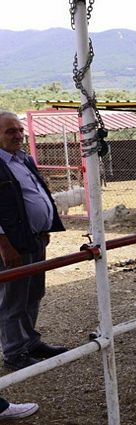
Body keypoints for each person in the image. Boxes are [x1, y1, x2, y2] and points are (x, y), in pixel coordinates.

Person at [0, 111, 68, 371]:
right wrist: (4, 244)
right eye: (10, 131)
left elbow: (35, 194)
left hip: (33, 238)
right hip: (12, 244)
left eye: (19, 130)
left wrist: (46, 226)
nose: (17, 135)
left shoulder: (23, 160)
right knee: (13, 297)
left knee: (33, 292)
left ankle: (29, 342)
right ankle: (14, 352)